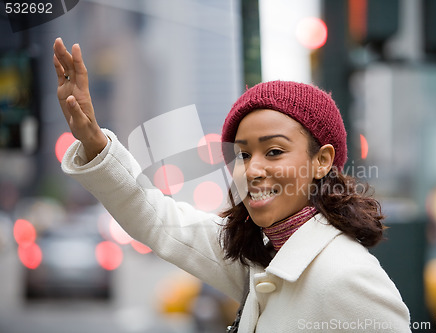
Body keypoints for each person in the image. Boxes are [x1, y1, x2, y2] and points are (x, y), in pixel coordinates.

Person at [53, 37, 411, 332]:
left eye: (273, 151)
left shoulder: (349, 278)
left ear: (322, 161)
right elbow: (155, 219)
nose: (252, 170)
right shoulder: (260, 254)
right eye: (242, 155)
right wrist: (94, 142)